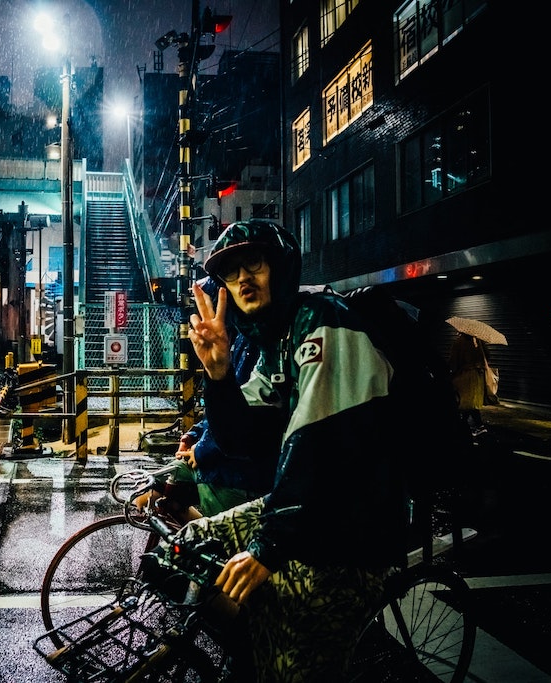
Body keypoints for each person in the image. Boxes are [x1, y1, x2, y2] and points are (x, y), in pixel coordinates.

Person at [180, 219, 410, 682]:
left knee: (294, 668)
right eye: (230, 272)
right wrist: (220, 376)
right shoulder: (275, 342)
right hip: (313, 511)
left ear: (280, 268)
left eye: (255, 263)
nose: (243, 278)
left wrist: (267, 549)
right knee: (188, 549)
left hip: (357, 526)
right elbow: (242, 440)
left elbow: (317, 443)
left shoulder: (325, 323)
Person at [133, 277, 283, 521]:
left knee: (218, 542)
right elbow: (224, 405)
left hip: (238, 472)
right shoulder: (240, 339)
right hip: (224, 462)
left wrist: (201, 449)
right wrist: (193, 435)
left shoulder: (260, 341)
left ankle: (205, 546)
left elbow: (246, 412)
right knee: (149, 494)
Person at [448, 332, 490, 436]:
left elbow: (453, 361)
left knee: (464, 402)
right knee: (471, 402)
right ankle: (473, 425)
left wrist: (451, 372)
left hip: (465, 377)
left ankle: (474, 426)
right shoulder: (479, 342)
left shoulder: (459, 342)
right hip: (478, 376)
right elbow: (488, 356)